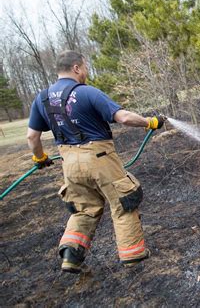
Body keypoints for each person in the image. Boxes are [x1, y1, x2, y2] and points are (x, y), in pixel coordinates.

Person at [27, 50, 166, 274]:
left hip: (69, 164)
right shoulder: (87, 93)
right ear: (76, 68)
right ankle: (133, 255)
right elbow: (124, 118)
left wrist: (40, 157)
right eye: (85, 67)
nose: (86, 72)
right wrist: (150, 122)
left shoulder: (42, 98)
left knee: (84, 208)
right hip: (99, 158)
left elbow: (32, 137)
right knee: (124, 201)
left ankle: (71, 256)